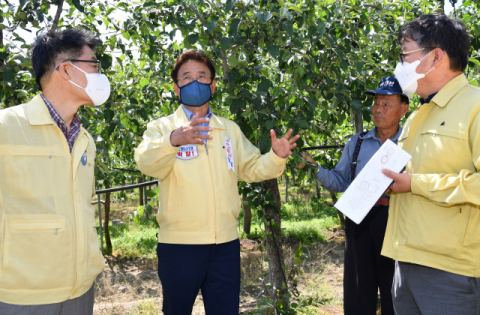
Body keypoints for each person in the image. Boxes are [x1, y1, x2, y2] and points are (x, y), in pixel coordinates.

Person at [134, 49, 300, 315]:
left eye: (202, 76)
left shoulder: (228, 129)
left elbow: (251, 168)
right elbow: (145, 162)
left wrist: (276, 157)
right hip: (179, 246)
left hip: (224, 245)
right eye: (186, 78)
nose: (195, 83)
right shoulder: (162, 128)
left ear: (213, 85)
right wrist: (173, 140)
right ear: (177, 89)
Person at [0, 29, 109, 314]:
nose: (99, 74)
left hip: (80, 289)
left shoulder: (84, 139)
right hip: (21, 294)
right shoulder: (6, 127)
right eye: (93, 65)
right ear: (66, 70)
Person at [381, 14, 480, 314]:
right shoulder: (418, 115)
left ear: (436, 56)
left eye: (405, 55)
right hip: (404, 262)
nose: (401, 65)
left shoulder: (475, 107)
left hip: (449, 270)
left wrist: (415, 184)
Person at [299, 76, 409, 315]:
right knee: (359, 288)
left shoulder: (410, 143)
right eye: (376, 103)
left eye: (386, 104)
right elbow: (340, 181)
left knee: (396, 289)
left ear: (404, 108)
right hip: (360, 222)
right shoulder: (357, 143)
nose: (378, 109)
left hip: (397, 221)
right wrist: (314, 168)